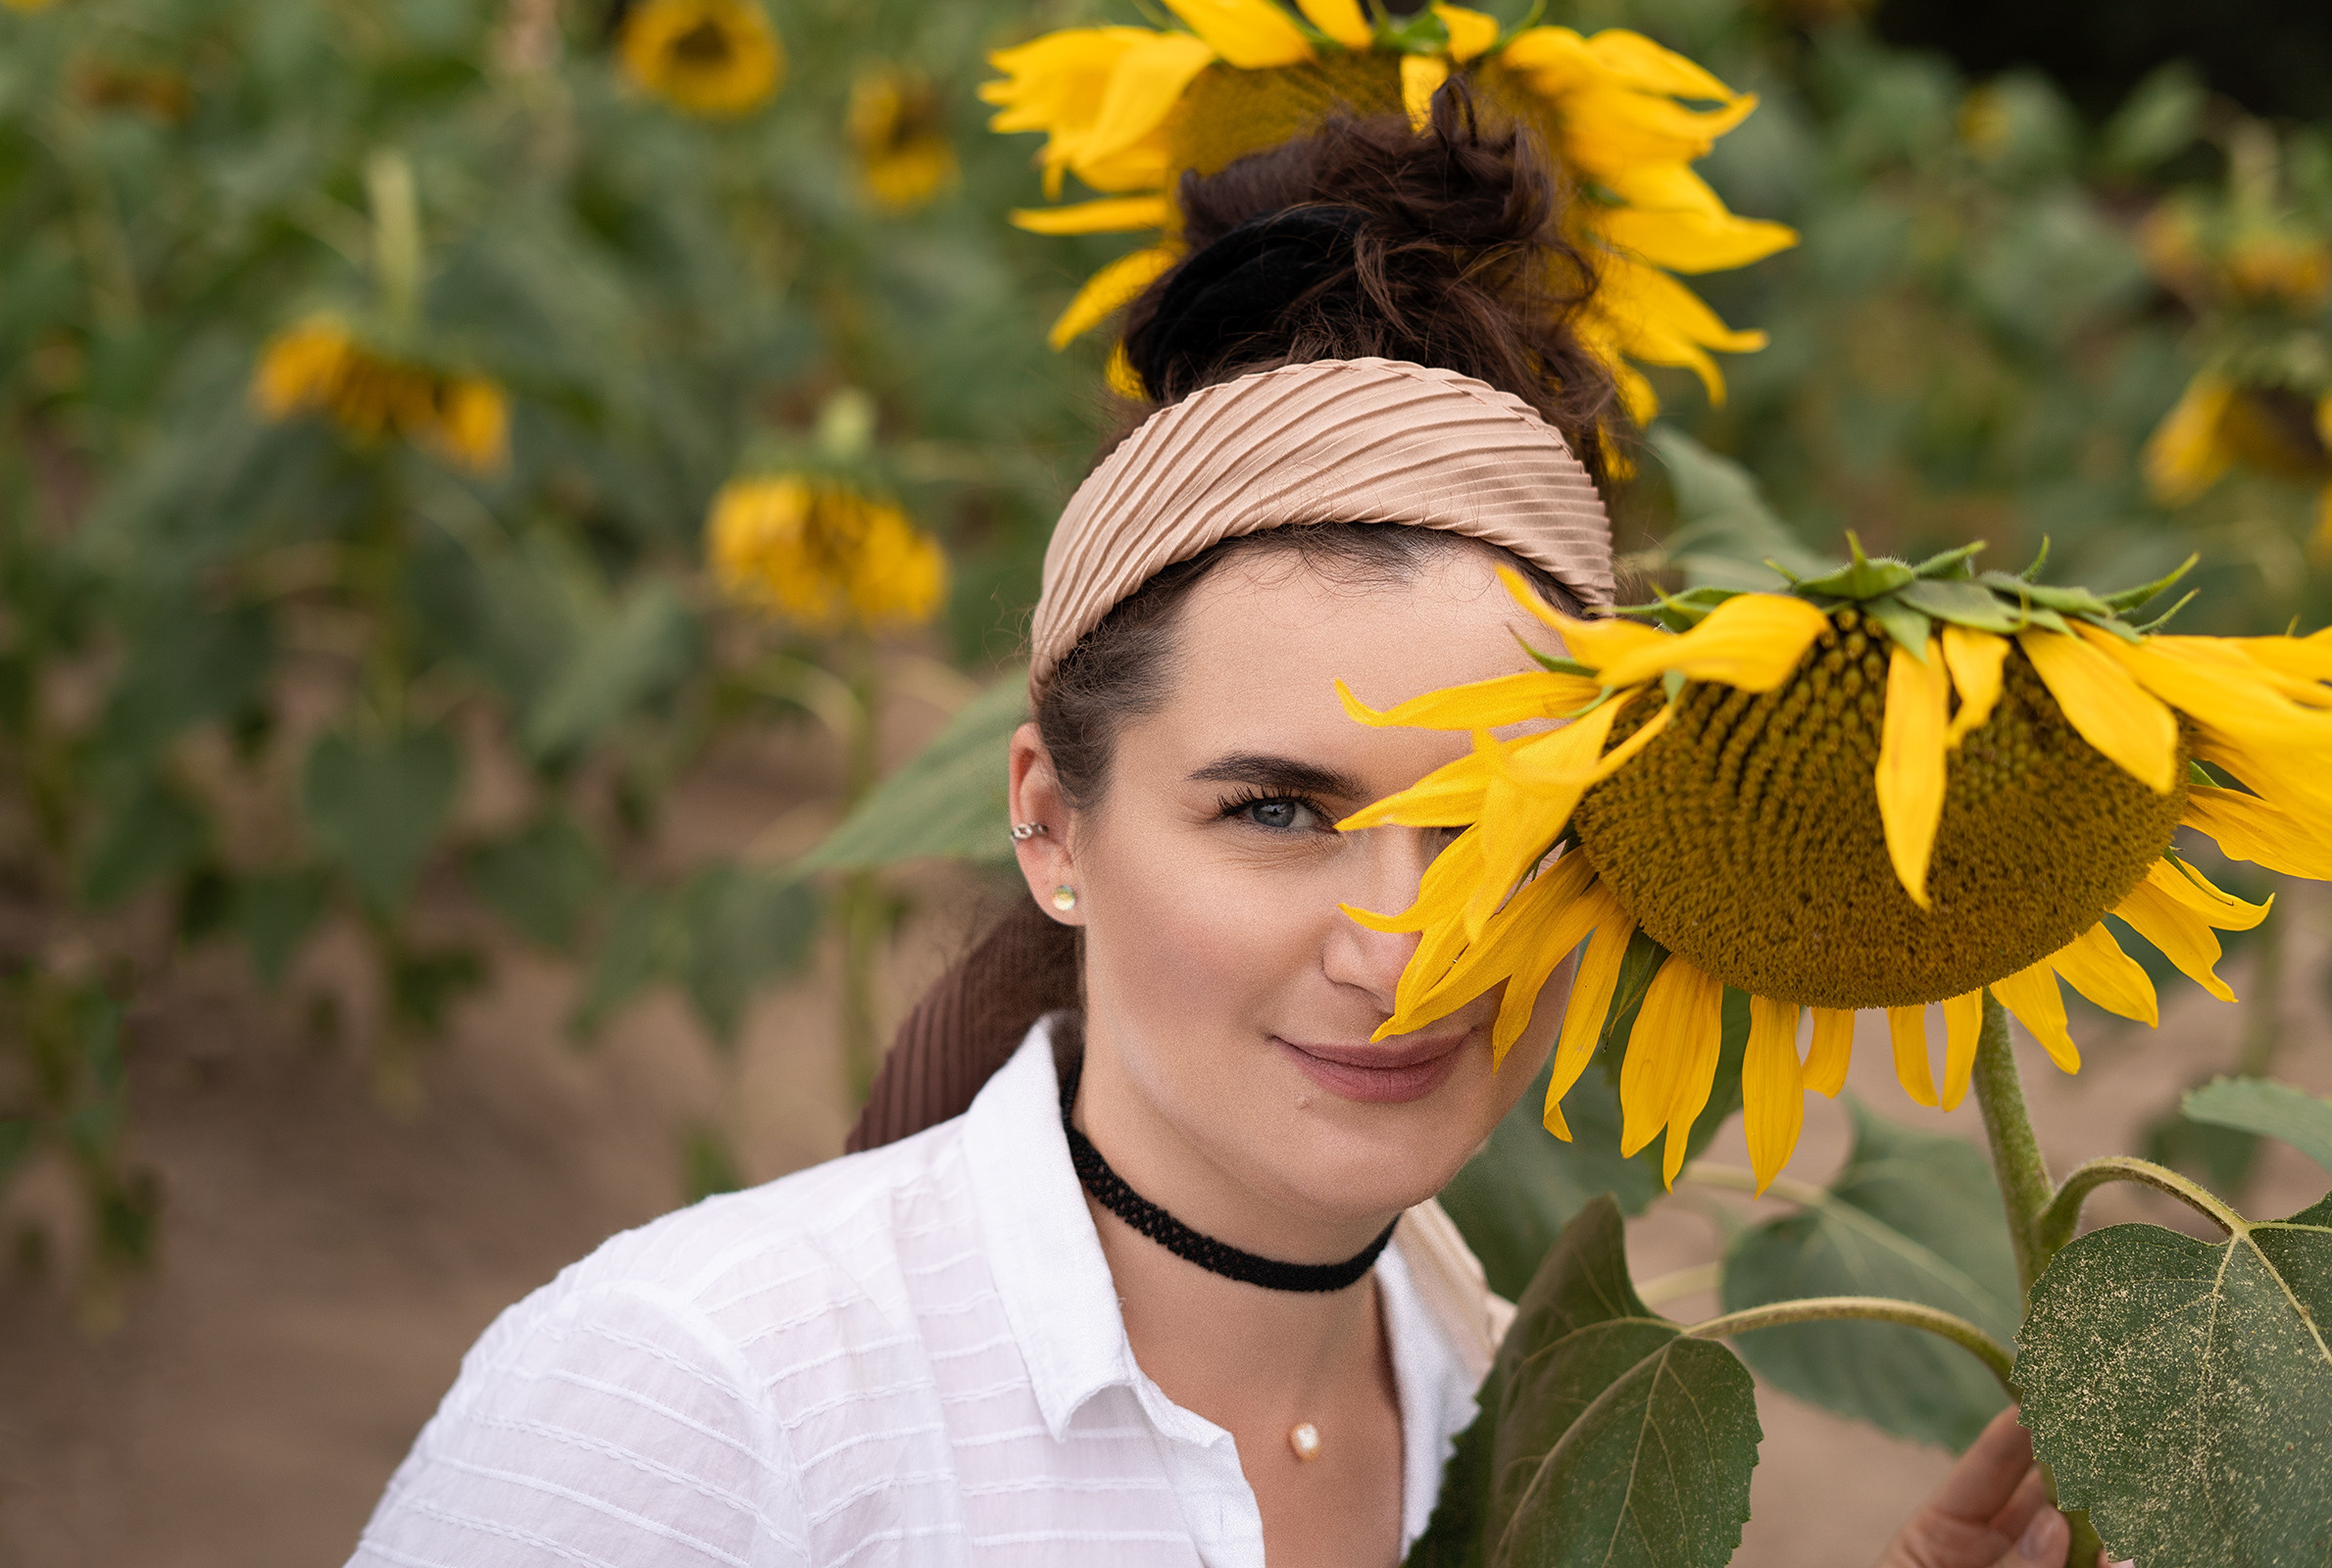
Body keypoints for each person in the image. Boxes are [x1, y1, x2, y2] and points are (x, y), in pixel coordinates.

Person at [346, 95, 2107, 1568]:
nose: (1408, 946)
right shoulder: (710, 1393)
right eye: (1277, 810)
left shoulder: (1513, 1414)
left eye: (1506, 828)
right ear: (1051, 824)